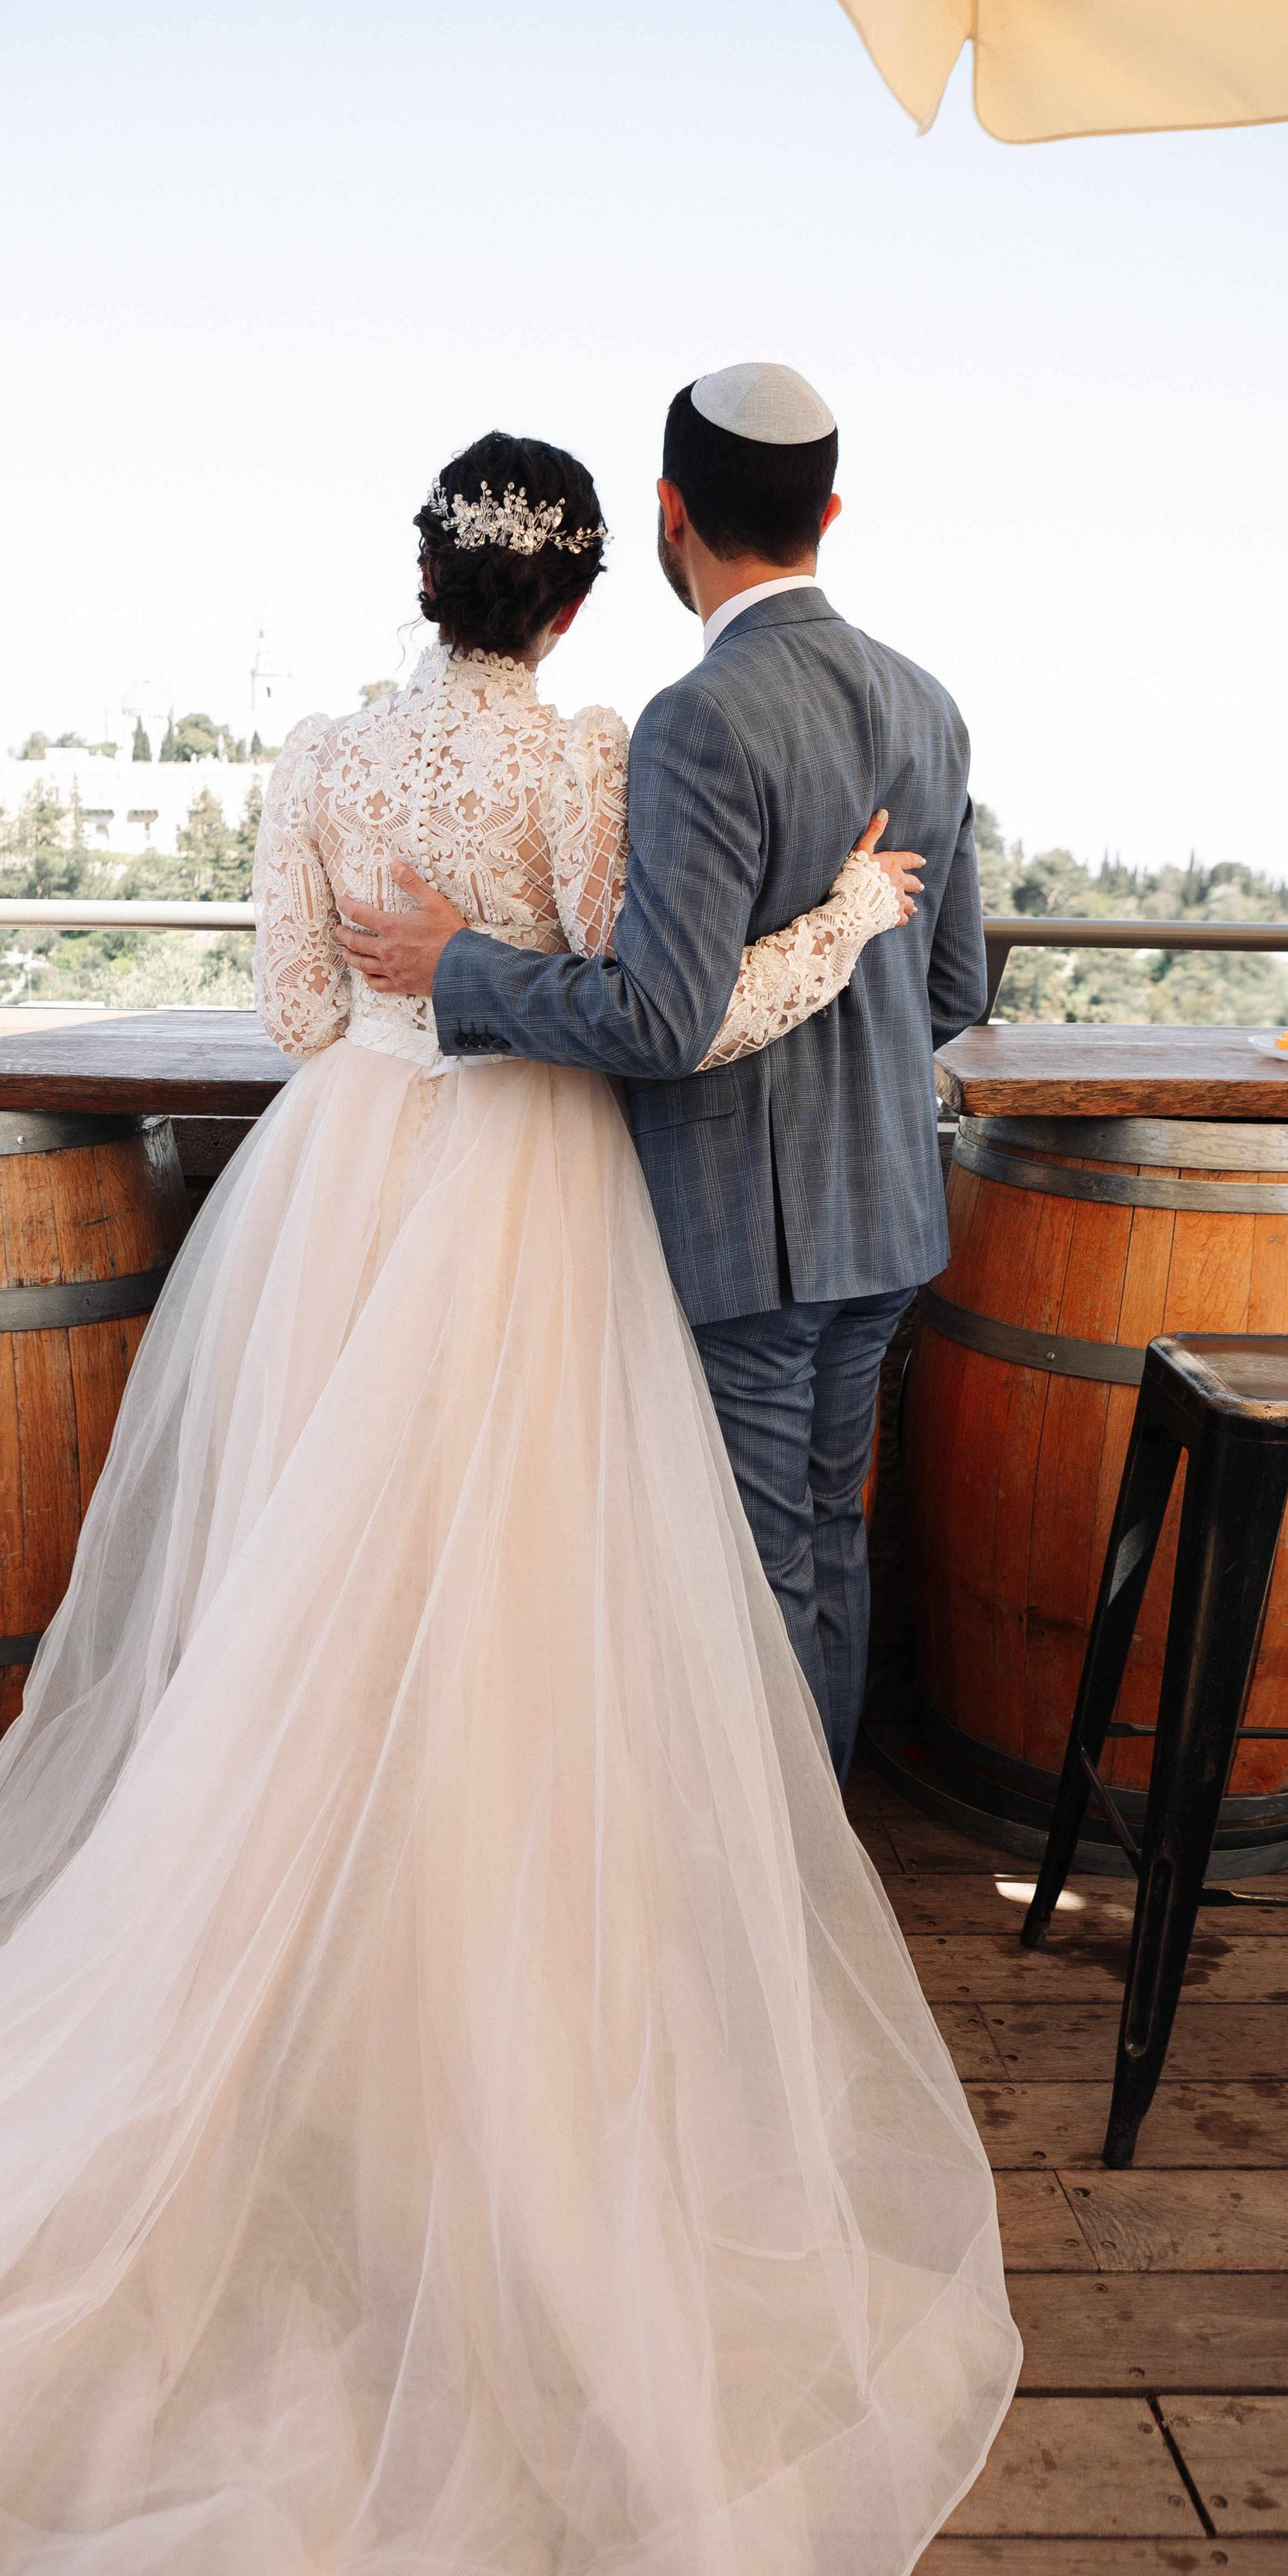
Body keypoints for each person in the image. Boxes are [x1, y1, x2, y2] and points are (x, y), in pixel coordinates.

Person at [0, 428, 1017, 2576]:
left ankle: (292, 1992)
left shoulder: (319, 753)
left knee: (318, 1625)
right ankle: (502, 2012)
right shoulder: (607, 753)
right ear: (587, 598)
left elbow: (309, 1019)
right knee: (532, 1640)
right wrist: (856, 918)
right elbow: (652, 1004)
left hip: (350, 1206)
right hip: (535, 1216)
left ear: (426, 583)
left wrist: (429, 986)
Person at [343, 363, 987, 1780]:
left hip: (742, 1236)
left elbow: (656, 1016)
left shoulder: (702, 715)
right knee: (826, 1532)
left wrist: (459, 966)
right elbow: (957, 989)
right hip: (884, 1212)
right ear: (829, 512)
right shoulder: (930, 705)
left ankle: (775, 1898)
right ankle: (818, 1863)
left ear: (667, 514)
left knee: (752, 1571)